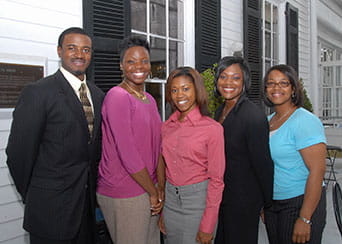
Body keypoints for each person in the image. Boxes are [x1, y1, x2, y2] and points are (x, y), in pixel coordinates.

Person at [6, 27, 105, 244]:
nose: (79, 54)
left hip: (86, 213)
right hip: (50, 212)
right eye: (72, 48)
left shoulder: (97, 95)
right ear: (59, 51)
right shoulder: (38, 92)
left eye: (86, 49)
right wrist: (37, 196)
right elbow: (18, 154)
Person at [96, 36, 164, 244]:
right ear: (121, 66)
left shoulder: (150, 99)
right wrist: (153, 192)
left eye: (144, 61)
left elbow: (158, 147)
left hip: (149, 187)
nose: (139, 66)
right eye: (131, 61)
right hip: (124, 191)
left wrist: (160, 186)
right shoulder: (117, 97)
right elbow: (128, 153)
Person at [158, 67, 225, 244]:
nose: (180, 95)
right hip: (171, 201)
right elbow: (166, 169)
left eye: (185, 88)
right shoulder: (166, 127)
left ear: (197, 90)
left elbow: (217, 180)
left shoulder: (212, 129)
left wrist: (208, 224)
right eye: (174, 90)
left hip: (198, 203)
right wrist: (164, 210)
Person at [263, 64, 327, 244]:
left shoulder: (305, 121)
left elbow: (317, 171)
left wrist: (305, 218)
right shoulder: (267, 122)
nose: (276, 88)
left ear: (293, 89)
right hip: (274, 203)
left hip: (300, 202)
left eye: (283, 83)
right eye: (271, 83)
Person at [213, 56, 274, 244]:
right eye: (223, 77)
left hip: (243, 201)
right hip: (222, 197)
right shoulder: (221, 110)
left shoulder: (253, 116)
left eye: (235, 78)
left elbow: (263, 164)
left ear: (245, 82)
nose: (228, 82)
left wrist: (266, 205)